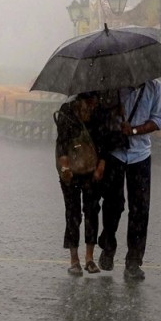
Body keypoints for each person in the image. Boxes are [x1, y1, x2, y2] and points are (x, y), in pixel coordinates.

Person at [97, 78, 161, 281]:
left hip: (141, 154)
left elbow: (158, 120)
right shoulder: (114, 85)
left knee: (140, 209)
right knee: (113, 204)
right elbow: (100, 115)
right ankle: (107, 246)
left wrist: (134, 130)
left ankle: (134, 261)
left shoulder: (155, 87)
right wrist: (113, 113)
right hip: (115, 152)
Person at [53, 92, 106, 276]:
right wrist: (65, 167)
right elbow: (62, 142)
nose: (92, 105)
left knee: (92, 209)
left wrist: (101, 164)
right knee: (73, 210)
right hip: (70, 169)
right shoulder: (67, 111)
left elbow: (103, 140)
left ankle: (89, 258)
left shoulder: (99, 111)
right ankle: (74, 259)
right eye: (89, 102)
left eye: (94, 102)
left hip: (91, 169)